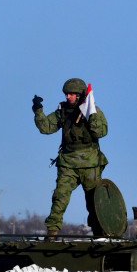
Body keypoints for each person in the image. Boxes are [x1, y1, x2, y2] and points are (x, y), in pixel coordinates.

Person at [32, 77, 109, 239]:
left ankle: (99, 234)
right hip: (68, 162)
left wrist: (91, 115)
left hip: (90, 164)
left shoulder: (93, 110)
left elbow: (100, 132)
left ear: (81, 95)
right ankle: (52, 232)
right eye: (67, 94)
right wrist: (38, 110)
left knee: (94, 202)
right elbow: (46, 127)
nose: (68, 97)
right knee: (60, 196)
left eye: (72, 94)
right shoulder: (63, 111)